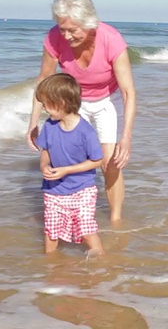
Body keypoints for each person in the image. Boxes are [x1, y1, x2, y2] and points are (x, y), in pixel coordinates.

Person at [26, 0, 136, 223]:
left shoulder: (111, 39)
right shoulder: (54, 37)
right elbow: (43, 81)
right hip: (74, 102)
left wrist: (125, 137)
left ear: (89, 23)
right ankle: (68, 213)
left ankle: (116, 220)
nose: (66, 36)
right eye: (62, 29)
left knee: (109, 163)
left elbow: (128, 91)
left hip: (105, 101)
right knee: (63, 158)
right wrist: (33, 122)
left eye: (72, 30)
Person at [35, 73, 105, 256]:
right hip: (54, 189)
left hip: (82, 188)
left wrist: (67, 170)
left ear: (61, 103)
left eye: (46, 104)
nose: (44, 108)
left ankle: (101, 259)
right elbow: (45, 151)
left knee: (86, 228)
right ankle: (50, 264)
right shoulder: (50, 126)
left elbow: (98, 160)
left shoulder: (86, 132)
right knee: (51, 230)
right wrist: (44, 166)